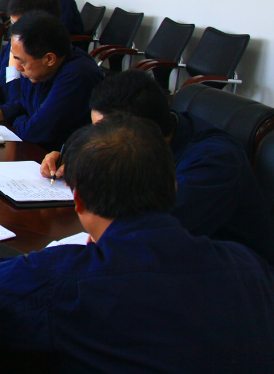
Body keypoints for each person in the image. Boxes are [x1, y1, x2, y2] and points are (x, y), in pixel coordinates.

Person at [0, 116, 274, 374]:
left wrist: (41, 263)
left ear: (77, 200)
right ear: (174, 187)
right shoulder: (248, 265)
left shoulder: (72, 276)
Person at [41, 71, 274, 264]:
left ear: (137, 134)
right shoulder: (160, 124)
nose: (98, 139)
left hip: (232, 278)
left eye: (103, 135)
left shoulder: (215, 162)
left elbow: (147, 231)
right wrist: (76, 157)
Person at [0, 12, 102, 148]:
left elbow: (34, 131)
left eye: (22, 61)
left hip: (60, 154)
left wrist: (17, 119)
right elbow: (25, 104)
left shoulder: (78, 74)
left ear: (49, 59)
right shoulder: (38, 69)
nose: (17, 68)